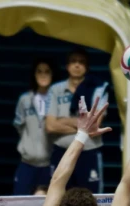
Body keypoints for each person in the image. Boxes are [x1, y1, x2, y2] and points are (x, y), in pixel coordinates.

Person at [46, 48, 108, 193]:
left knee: (90, 201)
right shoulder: (55, 89)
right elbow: (50, 126)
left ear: (87, 67)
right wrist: (82, 125)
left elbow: (94, 126)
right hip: (61, 153)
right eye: (73, 61)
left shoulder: (99, 88)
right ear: (67, 66)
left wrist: (62, 120)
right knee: (58, 200)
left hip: (88, 153)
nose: (77, 65)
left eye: (81, 62)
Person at [13, 59, 54, 202]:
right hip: (27, 163)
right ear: (34, 74)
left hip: (49, 164)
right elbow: (19, 125)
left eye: (47, 71)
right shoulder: (25, 100)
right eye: (39, 71)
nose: (43, 75)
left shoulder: (57, 99)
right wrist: (28, 145)